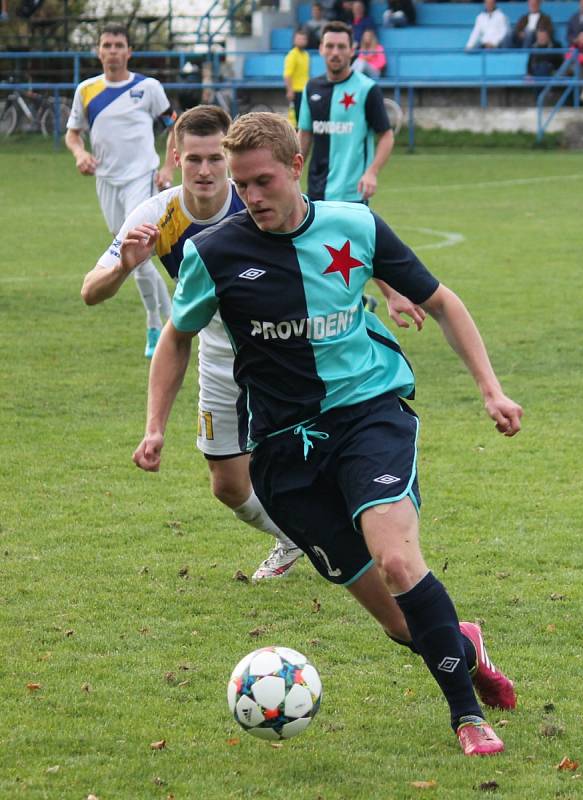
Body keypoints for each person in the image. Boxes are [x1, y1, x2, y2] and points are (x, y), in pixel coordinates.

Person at [133, 111, 522, 756]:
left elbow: (442, 302)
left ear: (294, 169)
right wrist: (154, 427)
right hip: (284, 453)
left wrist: (490, 389)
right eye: (240, 184)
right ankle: (462, 643)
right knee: (402, 623)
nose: (251, 197)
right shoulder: (214, 251)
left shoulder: (354, 226)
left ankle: (467, 717)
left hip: (368, 413)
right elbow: (176, 338)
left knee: (398, 559)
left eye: (262, 181)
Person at [80, 105, 306, 583]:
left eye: (215, 159)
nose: (205, 171)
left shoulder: (256, 199)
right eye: (194, 160)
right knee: (227, 484)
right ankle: (295, 537)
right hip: (217, 349)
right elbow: (90, 291)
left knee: (304, 453)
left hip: (280, 345)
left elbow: (327, 234)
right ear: (176, 157)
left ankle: (347, 532)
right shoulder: (156, 215)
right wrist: (124, 265)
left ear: (229, 157)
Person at [66, 23, 176, 359]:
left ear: (129, 52)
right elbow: (73, 134)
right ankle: (167, 321)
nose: (113, 51)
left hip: (140, 178)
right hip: (107, 181)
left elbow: (175, 125)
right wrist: (80, 153)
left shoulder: (148, 87)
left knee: (135, 249)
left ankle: (159, 325)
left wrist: (168, 168)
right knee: (131, 256)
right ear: (98, 51)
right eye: (107, 45)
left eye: (119, 45)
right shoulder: (86, 90)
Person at [298, 21, 394, 202]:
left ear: (352, 50)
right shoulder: (311, 88)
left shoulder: (367, 89)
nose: (335, 52)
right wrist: (291, 172)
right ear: (321, 49)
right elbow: (304, 134)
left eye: (341, 47)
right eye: (330, 46)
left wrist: (372, 172)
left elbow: (386, 136)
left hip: (353, 193)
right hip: (317, 191)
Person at [283, 29, 310, 126]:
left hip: (305, 90)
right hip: (296, 91)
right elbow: (287, 74)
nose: (302, 41)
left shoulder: (306, 55)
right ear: (294, 40)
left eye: (304, 39)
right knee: (297, 119)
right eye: (299, 39)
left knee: (305, 117)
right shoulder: (292, 55)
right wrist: (290, 91)